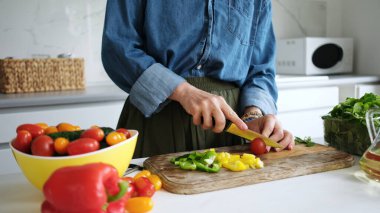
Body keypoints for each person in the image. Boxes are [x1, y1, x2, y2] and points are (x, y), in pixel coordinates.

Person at [101, 0, 294, 158]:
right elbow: (118, 47)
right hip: (157, 120)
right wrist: (183, 91)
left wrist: (253, 114)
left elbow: (261, 69)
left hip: (232, 128)